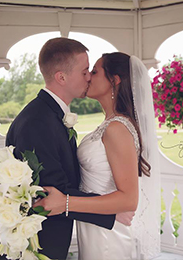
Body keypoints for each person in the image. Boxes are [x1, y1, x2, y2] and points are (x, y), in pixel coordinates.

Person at [0, 38, 133, 260]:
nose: (88, 77)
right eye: (85, 71)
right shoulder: (38, 121)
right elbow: (49, 192)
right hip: (32, 246)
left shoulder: (53, 115)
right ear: (61, 77)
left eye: (92, 71)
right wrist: (110, 214)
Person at [34, 52, 155, 259]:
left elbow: (128, 200)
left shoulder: (117, 128)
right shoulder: (110, 124)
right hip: (94, 226)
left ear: (114, 81)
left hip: (108, 236)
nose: (88, 76)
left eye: (95, 71)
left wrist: (65, 202)